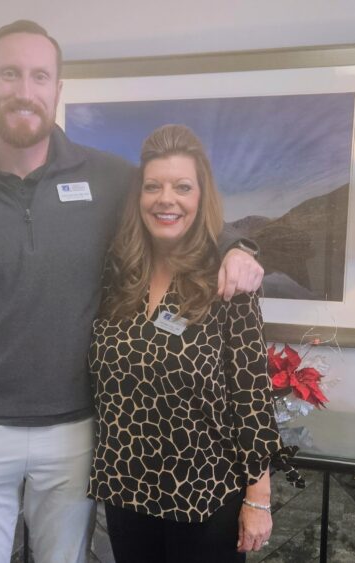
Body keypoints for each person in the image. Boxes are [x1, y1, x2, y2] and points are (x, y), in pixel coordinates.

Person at [0, 21, 264, 563]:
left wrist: (237, 245)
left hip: (74, 432)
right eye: (10, 74)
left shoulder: (108, 177)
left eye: (39, 76)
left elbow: (175, 204)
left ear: (57, 88)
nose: (24, 89)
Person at [88, 124, 302, 563]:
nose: (166, 199)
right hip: (127, 493)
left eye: (182, 187)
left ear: (201, 197)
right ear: (138, 197)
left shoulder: (226, 279)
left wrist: (259, 498)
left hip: (205, 498)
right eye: (153, 186)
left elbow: (251, 396)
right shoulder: (117, 274)